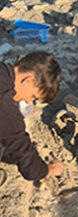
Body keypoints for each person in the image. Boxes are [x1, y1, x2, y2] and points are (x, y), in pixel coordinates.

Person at [0, 52, 62, 187]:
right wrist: (48, 170)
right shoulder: (5, 105)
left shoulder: (3, 70)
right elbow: (29, 168)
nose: (28, 101)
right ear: (28, 80)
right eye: (33, 96)